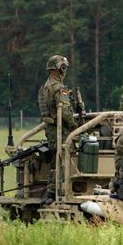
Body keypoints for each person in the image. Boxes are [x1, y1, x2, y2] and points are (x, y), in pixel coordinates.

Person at [37, 55, 83, 204]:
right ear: (60, 68)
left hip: (50, 129)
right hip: (60, 130)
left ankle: (51, 192)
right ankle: (59, 191)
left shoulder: (44, 87)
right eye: (65, 68)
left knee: (54, 160)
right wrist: (76, 128)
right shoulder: (59, 88)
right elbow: (66, 112)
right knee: (64, 159)